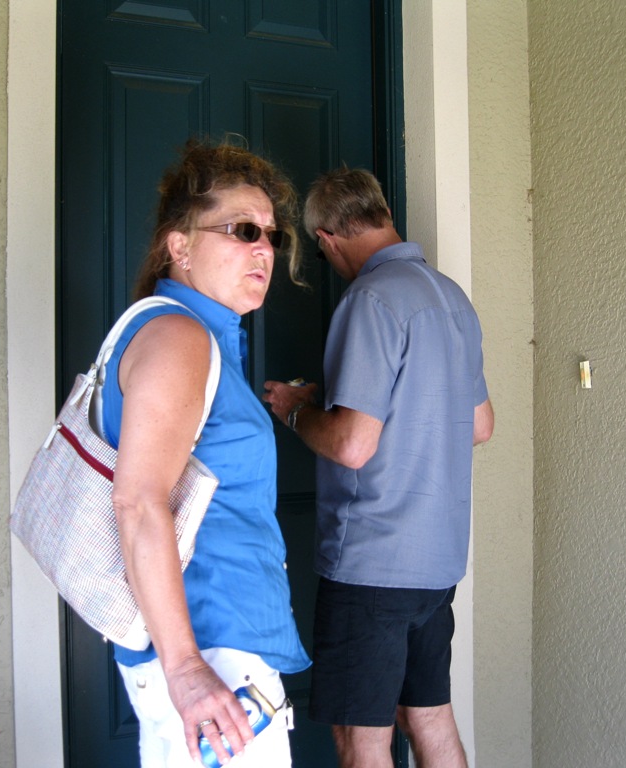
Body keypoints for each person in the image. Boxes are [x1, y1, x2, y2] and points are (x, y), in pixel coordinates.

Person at [262, 168, 494, 768]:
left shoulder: (370, 299)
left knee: (360, 737)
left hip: (372, 564)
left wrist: (296, 411)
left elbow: (352, 445)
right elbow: (480, 425)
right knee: (429, 718)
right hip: (437, 563)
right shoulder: (451, 298)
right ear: (382, 215)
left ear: (327, 239)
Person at [103, 139, 310, 767]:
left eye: (273, 235)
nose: (264, 248)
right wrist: (188, 670)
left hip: (222, 653)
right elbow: (139, 502)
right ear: (181, 246)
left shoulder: (205, 338)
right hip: (215, 663)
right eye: (243, 230)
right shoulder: (178, 336)